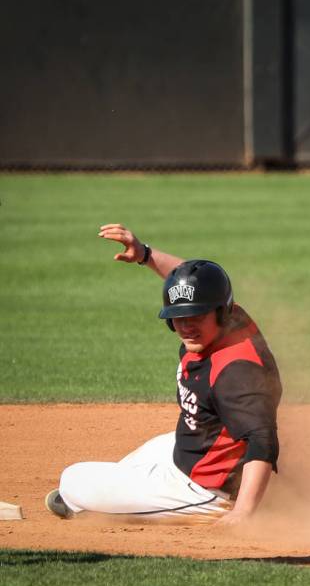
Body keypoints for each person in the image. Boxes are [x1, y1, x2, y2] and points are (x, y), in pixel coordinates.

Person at [44, 224, 282, 524]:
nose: (186, 326)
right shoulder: (231, 316)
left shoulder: (236, 370)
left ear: (220, 311)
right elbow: (192, 281)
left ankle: (213, 506)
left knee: (72, 480)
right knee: (151, 451)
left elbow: (262, 438)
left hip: (207, 488)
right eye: (178, 317)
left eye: (196, 316)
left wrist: (244, 512)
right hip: (195, 449)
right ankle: (121, 497)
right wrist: (145, 255)